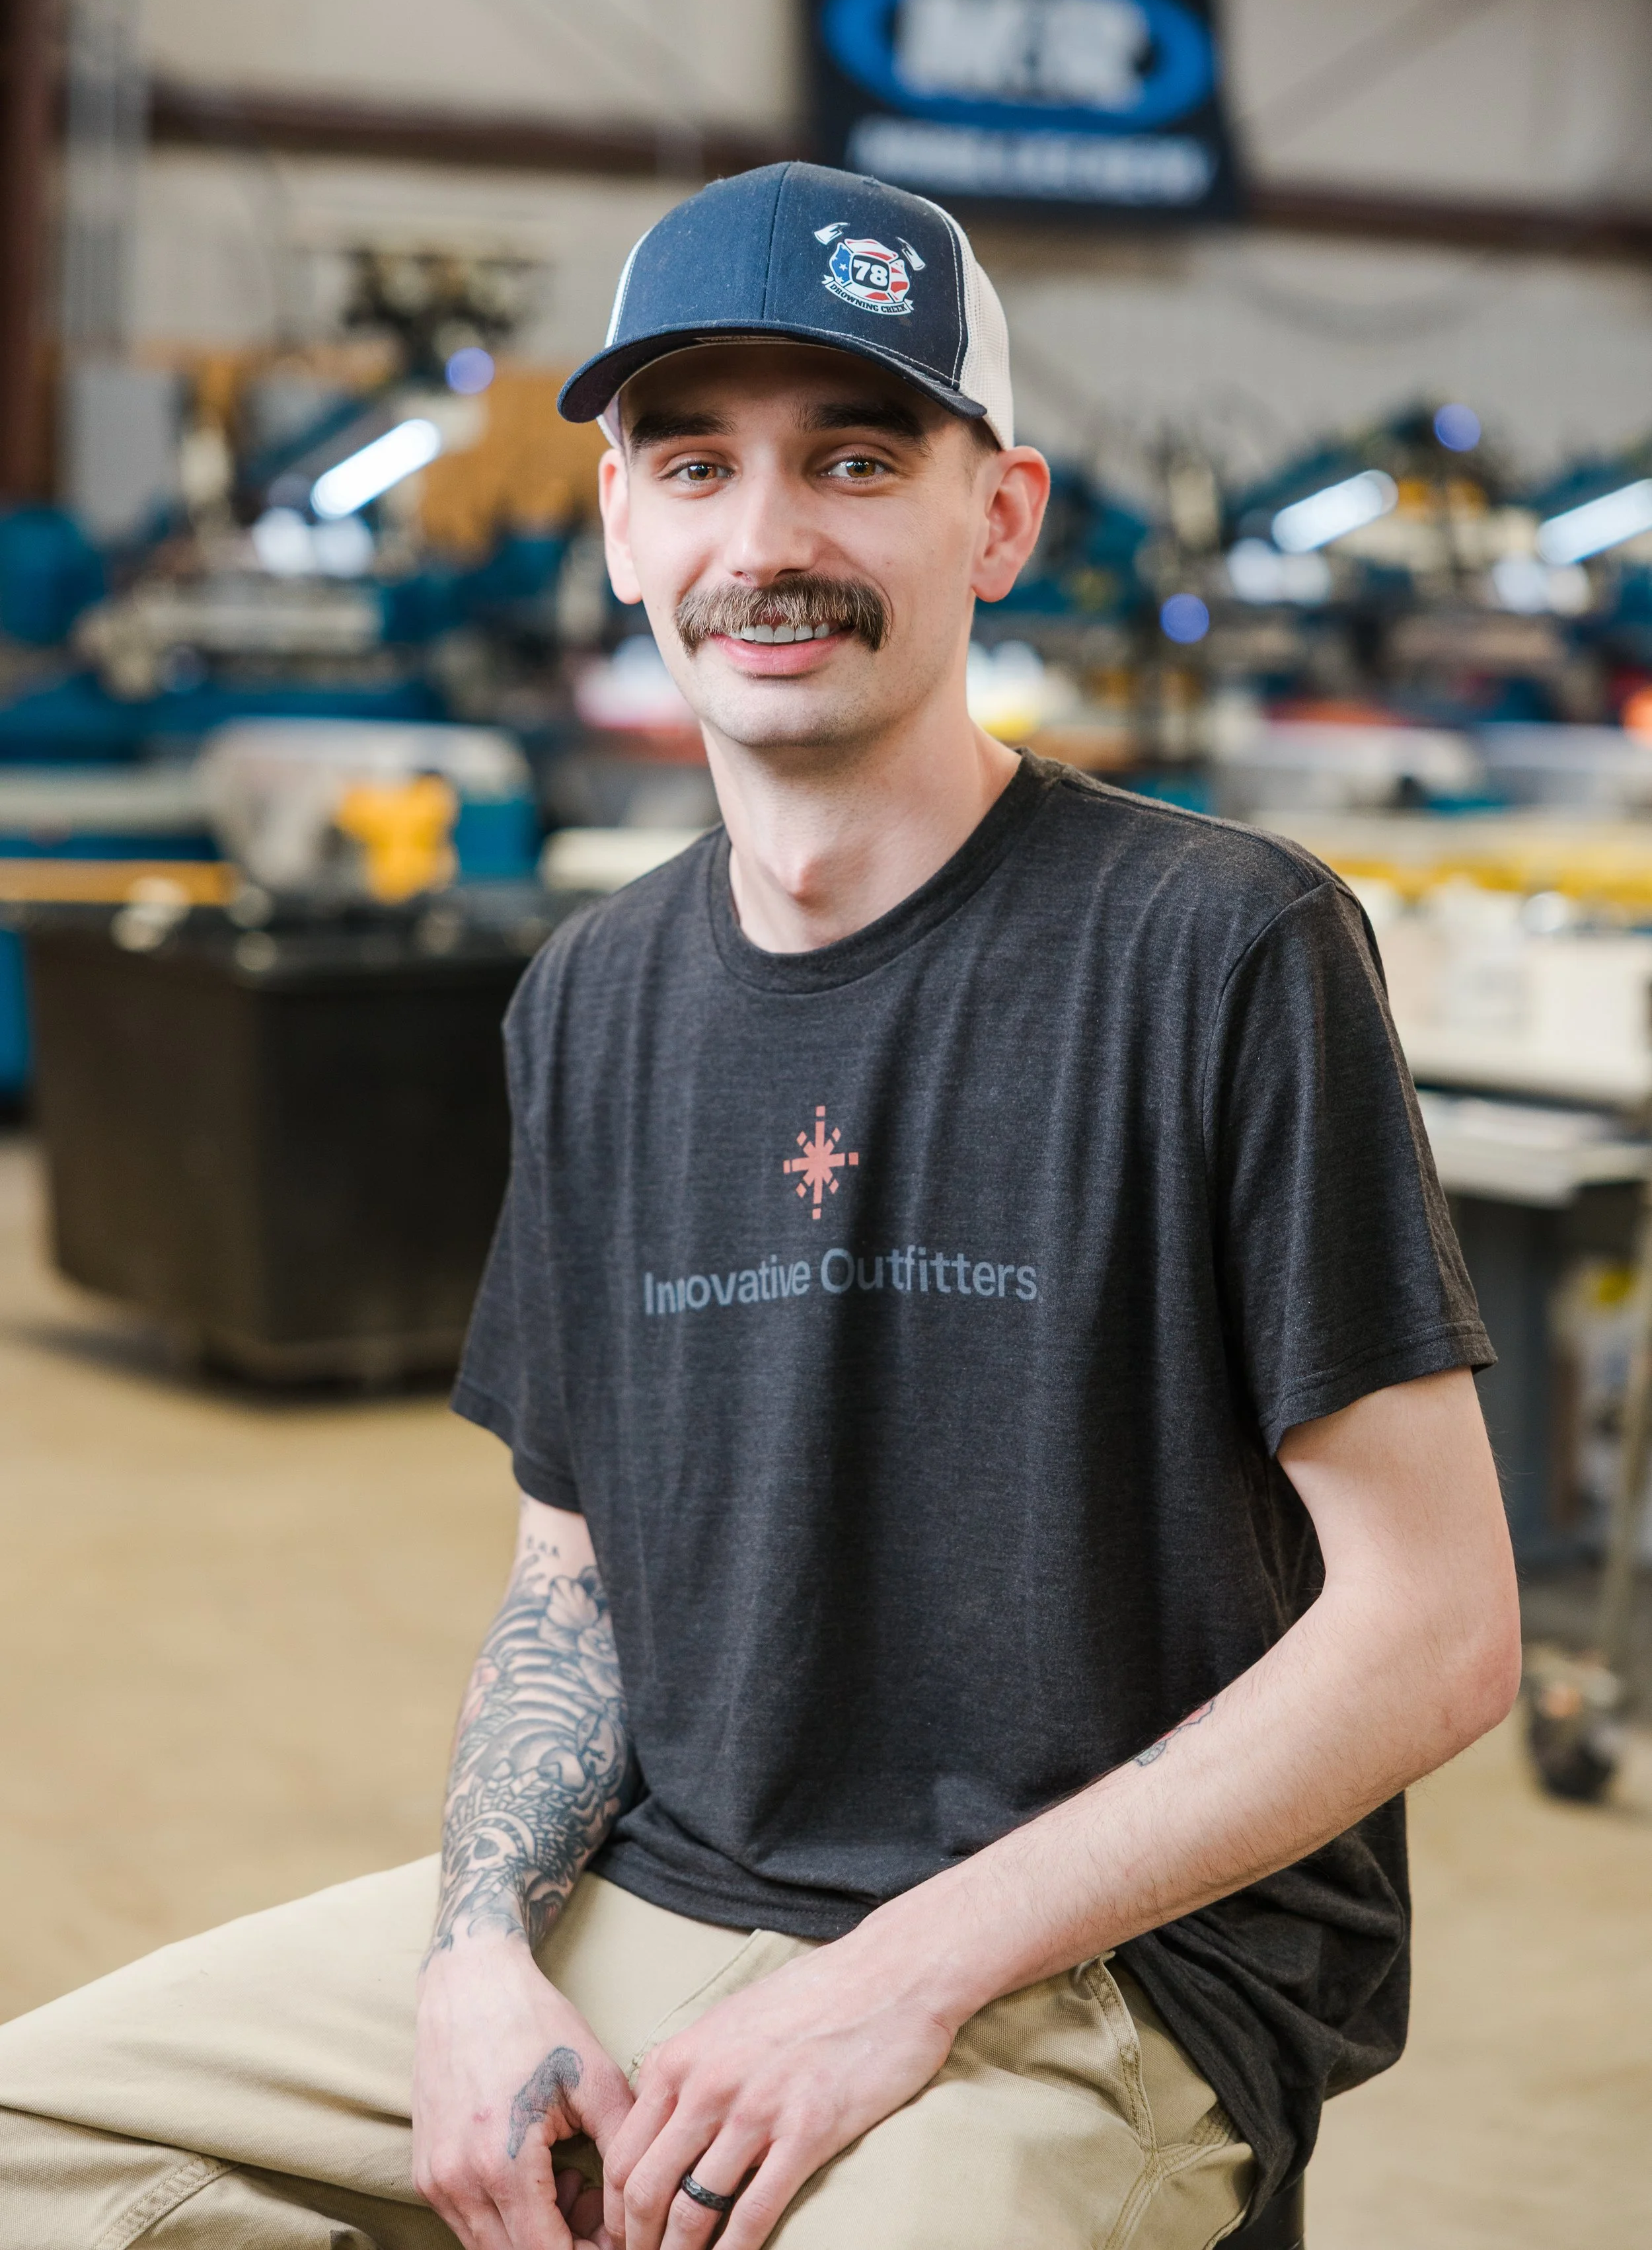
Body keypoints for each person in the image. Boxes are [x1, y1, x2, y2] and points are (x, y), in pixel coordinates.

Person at [0, 163, 1521, 2250]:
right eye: (694, 462)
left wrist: (897, 1974)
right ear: (621, 523)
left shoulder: (1218, 950)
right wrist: (470, 1958)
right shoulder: (592, 1000)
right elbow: (572, 1582)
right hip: (663, 1897)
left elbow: (1434, 1632)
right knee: (38, 2149)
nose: (765, 538)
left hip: (1087, 1986)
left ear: (998, 517)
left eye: (856, 457)